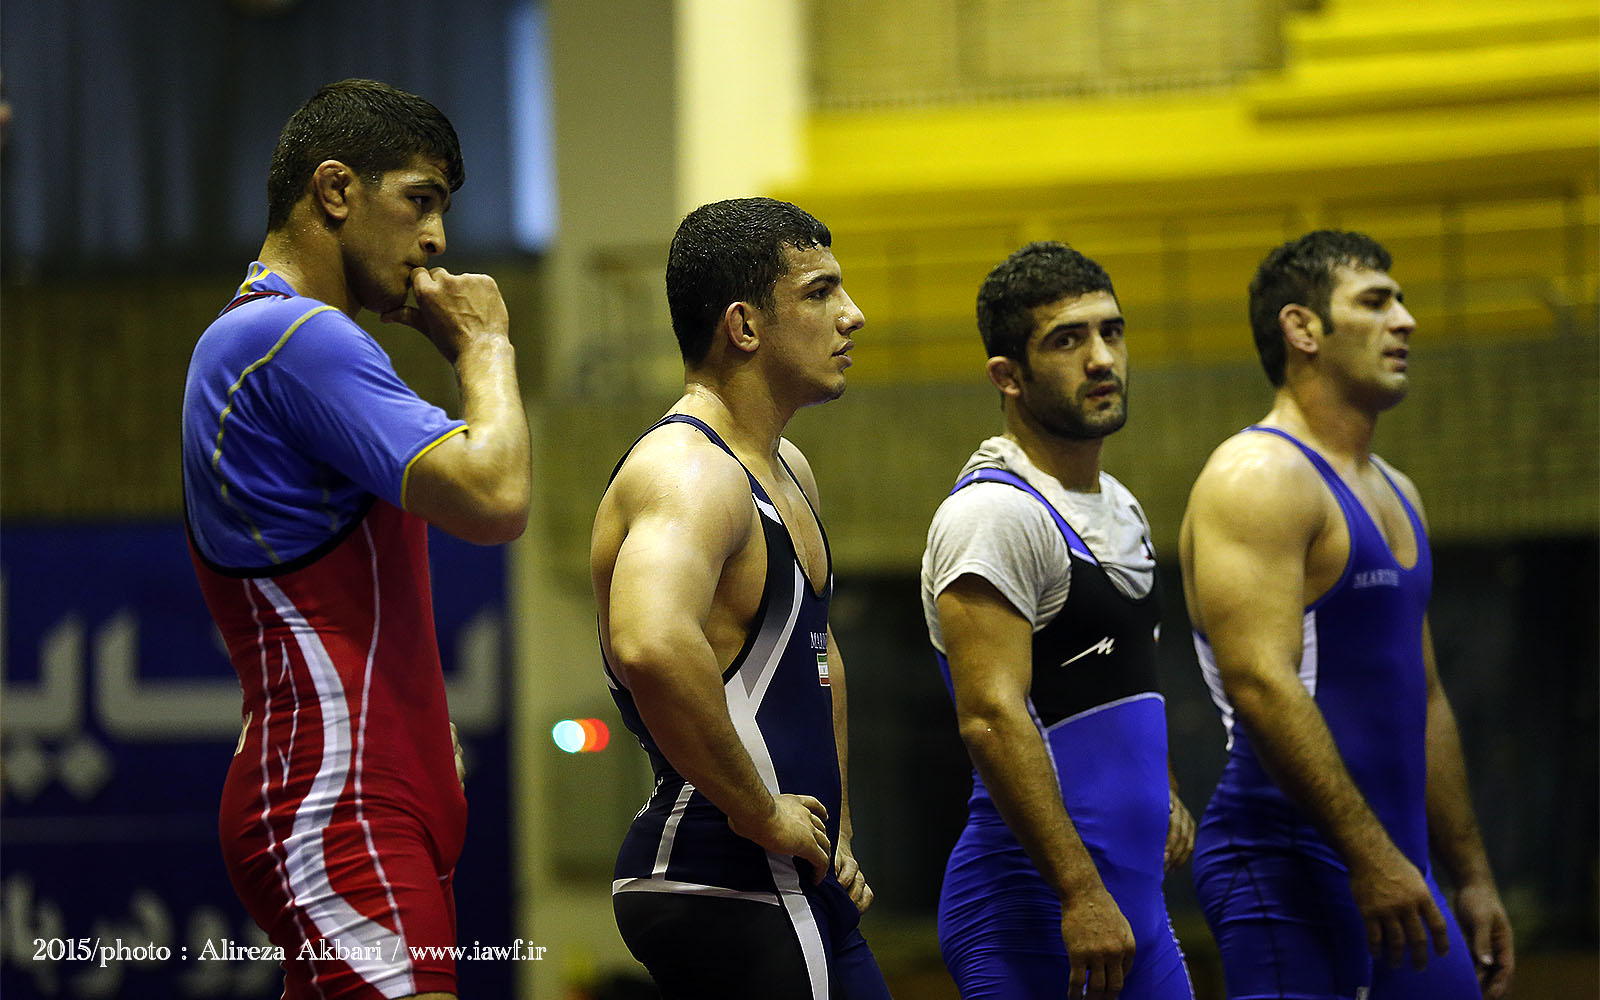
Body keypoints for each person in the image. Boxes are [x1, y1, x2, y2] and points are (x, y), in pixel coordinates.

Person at [181, 79, 530, 1000]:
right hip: (342, 796)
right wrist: (485, 349)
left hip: (363, 787)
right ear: (335, 191)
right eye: (420, 200)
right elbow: (495, 496)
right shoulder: (286, 336)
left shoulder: (276, 340)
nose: (438, 239)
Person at [1180, 230, 1515, 999]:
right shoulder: (1257, 478)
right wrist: (1370, 857)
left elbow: (1426, 699)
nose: (1406, 320)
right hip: (1288, 867)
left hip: (1400, 867)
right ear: (1302, 328)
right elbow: (1260, 684)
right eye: (1375, 302)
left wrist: (1469, 875)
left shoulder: (1397, 488)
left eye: (1400, 300)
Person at [590, 197, 890, 1000]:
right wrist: (760, 812)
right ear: (744, 326)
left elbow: (817, 659)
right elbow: (650, 643)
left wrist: (839, 827)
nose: (853, 315)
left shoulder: (787, 467)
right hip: (724, 871)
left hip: (786, 871)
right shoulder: (689, 472)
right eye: (821, 292)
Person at [921, 241, 1197, 1000]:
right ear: (1007, 376)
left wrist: (1164, 788)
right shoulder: (994, 514)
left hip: (1130, 902)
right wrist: (1078, 891)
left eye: (1112, 331)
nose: (1102, 358)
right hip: (1035, 908)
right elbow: (989, 717)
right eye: (1068, 340)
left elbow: (1125, 676)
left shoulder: (1121, 505)